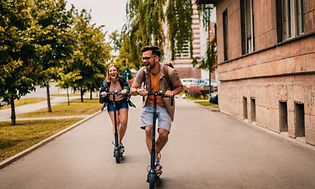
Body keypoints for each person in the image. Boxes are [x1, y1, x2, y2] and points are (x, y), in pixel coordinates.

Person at [130, 46, 183, 176]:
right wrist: (138, 91)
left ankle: (155, 153)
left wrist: (172, 92)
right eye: (143, 58)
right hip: (149, 105)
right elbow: (132, 89)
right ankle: (154, 161)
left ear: (156, 58)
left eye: (147, 58)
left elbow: (180, 87)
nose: (144, 61)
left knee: (163, 133)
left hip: (164, 106)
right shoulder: (143, 71)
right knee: (148, 130)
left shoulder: (169, 72)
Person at [99, 64, 135, 155]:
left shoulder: (122, 79)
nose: (112, 72)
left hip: (122, 102)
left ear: (117, 71)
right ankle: (118, 145)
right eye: (110, 71)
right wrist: (103, 94)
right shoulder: (105, 82)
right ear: (108, 73)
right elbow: (101, 92)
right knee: (116, 123)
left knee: (123, 122)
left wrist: (125, 90)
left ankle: (118, 142)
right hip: (111, 103)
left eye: (114, 70)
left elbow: (127, 87)